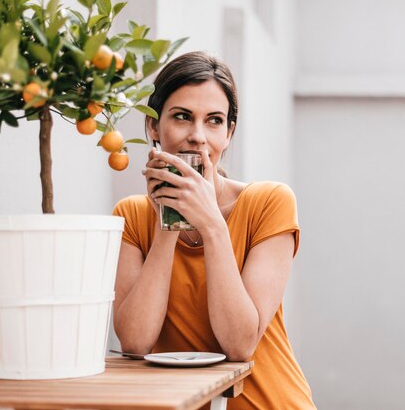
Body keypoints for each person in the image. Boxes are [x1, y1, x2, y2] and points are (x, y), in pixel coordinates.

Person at [112, 51, 316, 410]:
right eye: (181, 117)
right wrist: (169, 221)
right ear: (153, 128)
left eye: (214, 121)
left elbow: (239, 344)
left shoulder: (270, 202)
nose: (197, 137)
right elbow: (136, 342)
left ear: (228, 132)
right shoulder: (130, 216)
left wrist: (211, 224)